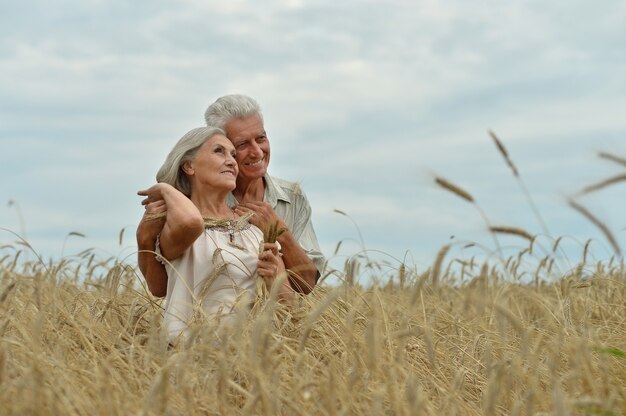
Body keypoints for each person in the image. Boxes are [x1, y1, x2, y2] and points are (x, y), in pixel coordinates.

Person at [137, 95, 325, 296]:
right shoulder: (185, 204)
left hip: (264, 325)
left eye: (261, 138)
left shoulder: (292, 197)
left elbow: (306, 286)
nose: (257, 152)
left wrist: (281, 233)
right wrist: (146, 236)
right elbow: (161, 287)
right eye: (242, 145)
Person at [138, 127, 293, 341]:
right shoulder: (173, 224)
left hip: (246, 363)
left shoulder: (255, 228)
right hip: (190, 360)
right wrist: (166, 188)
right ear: (189, 166)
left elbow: (288, 308)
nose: (231, 161)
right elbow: (192, 224)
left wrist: (275, 279)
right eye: (219, 151)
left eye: (232, 155)